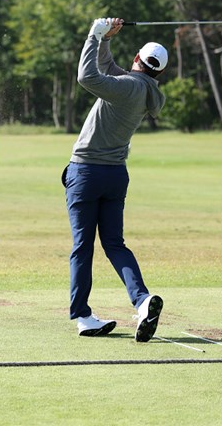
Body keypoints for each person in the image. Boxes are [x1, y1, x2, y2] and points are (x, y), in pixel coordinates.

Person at [62, 17, 168, 342]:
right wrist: (106, 40)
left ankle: (83, 316)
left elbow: (87, 76)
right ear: (159, 72)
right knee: (114, 244)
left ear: (137, 58)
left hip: (86, 172)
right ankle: (142, 300)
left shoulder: (126, 86)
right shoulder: (145, 89)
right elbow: (108, 67)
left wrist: (93, 35)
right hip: (115, 175)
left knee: (82, 246)